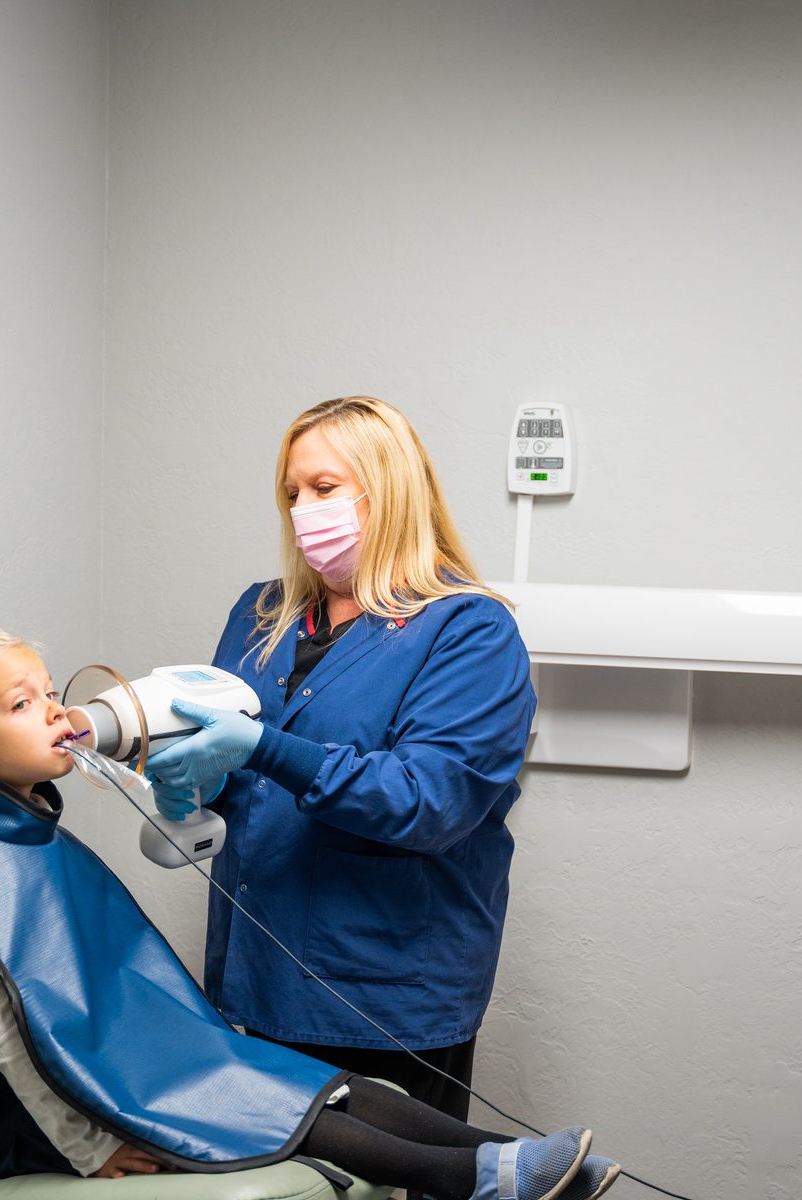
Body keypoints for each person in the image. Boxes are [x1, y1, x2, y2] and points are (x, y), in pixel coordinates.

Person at [0, 632, 621, 1200]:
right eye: (23, 704)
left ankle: (510, 1161)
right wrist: (87, 1148)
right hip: (38, 1118)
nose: (59, 711)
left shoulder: (25, 823)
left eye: (47, 689)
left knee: (334, 1085)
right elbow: (4, 1042)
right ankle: (484, 1183)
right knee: (271, 1101)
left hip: (120, 1062)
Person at [145, 395, 535, 1123]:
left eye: (324, 489)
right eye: (292, 493)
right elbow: (242, 785)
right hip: (254, 977)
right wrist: (195, 779)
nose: (302, 510)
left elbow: (428, 800)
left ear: (388, 491)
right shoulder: (262, 615)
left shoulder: (468, 630)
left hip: (386, 994)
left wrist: (265, 747)